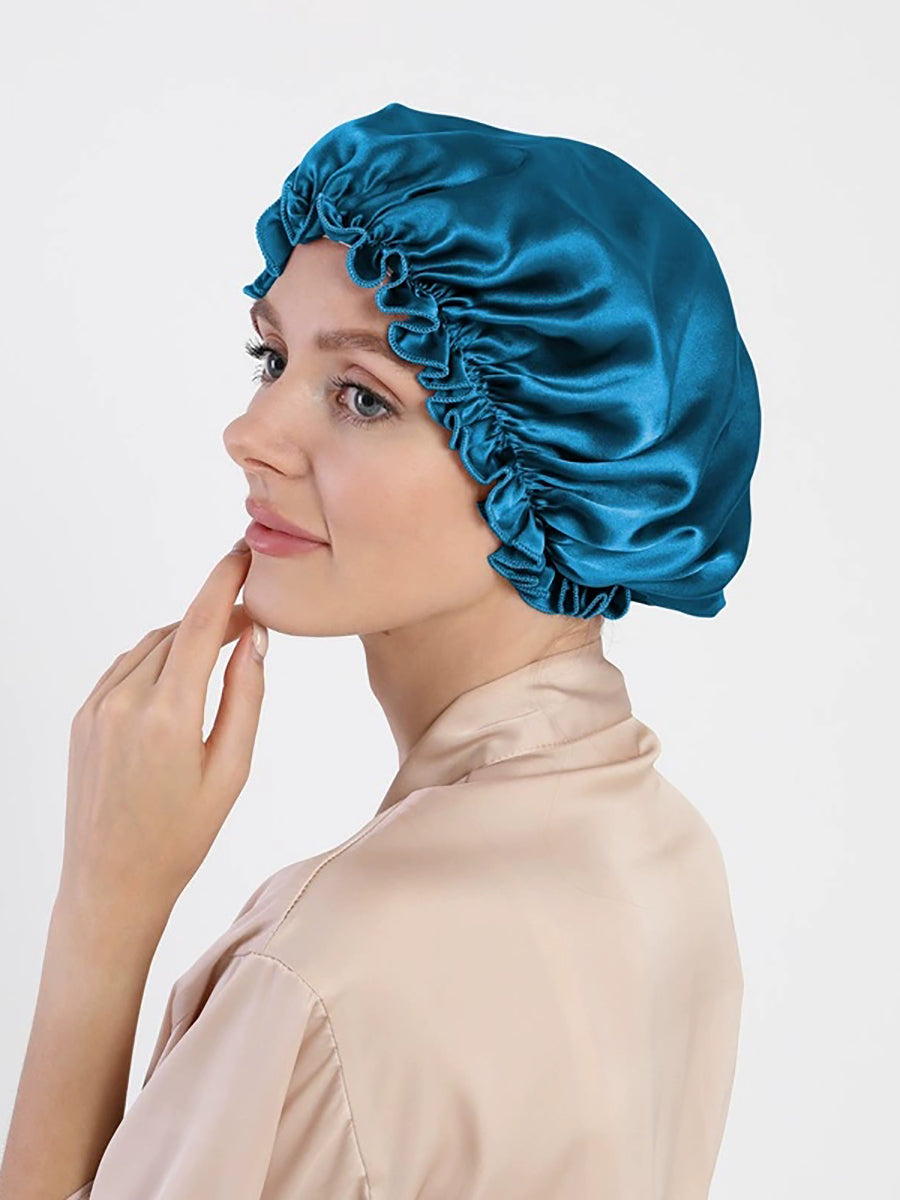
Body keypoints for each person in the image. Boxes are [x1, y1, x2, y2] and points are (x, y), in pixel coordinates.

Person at [3, 102, 760, 1198]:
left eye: (362, 396)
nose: (250, 434)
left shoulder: (324, 972)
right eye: (269, 357)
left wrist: (101, 915)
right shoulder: (664, 853)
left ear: (541, 465)